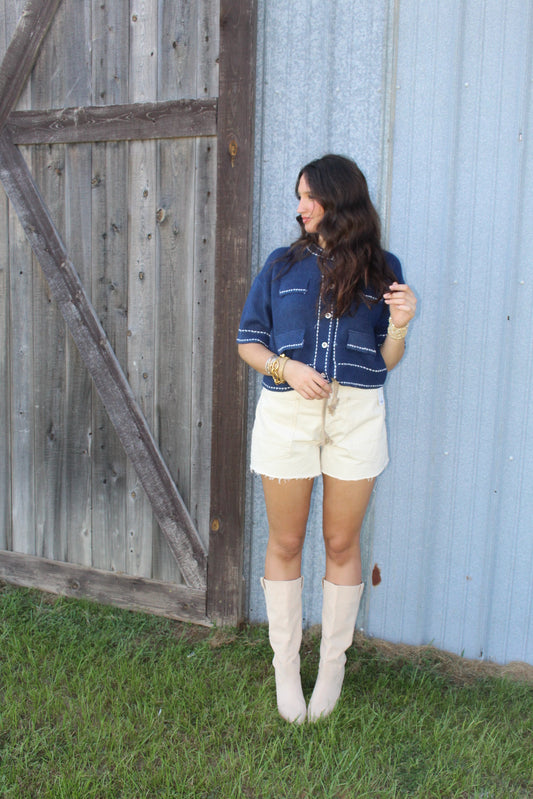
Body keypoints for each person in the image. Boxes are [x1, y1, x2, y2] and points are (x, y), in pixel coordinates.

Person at [237, 154, 416, 723]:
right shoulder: (281, 264)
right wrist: (286, 370)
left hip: (356, 414)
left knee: (341, 544)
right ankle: (286, 668)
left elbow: (387, 359)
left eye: (308, 197)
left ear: (339, 200)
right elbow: (249, 343)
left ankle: (332, 667)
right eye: (298, 197)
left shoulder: (382, 267)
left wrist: (404, 324)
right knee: (285, 543)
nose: (300, 208)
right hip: (289, 413)